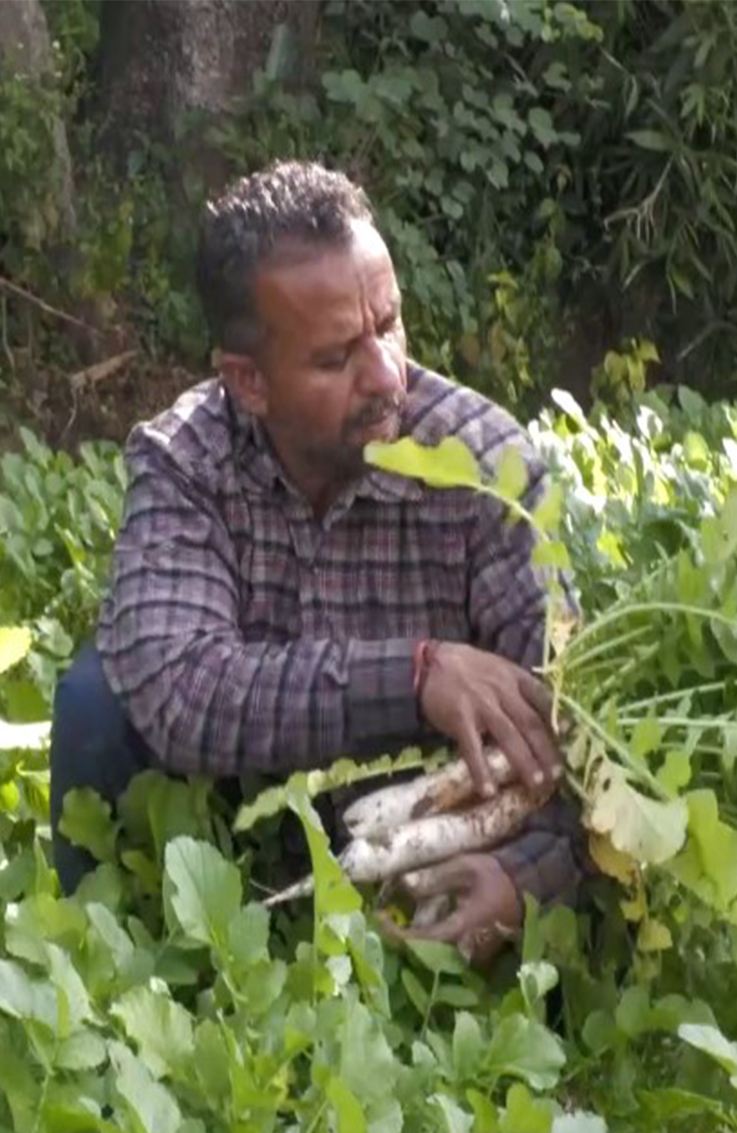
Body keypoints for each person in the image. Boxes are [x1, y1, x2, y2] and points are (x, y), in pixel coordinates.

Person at [49, 160, 587, 964]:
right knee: (96, 699)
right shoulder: (186, 460)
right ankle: (98, 949)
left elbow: (574, 732)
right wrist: (415, 674)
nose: (386, 376)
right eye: (336, 359)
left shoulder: (486, 467)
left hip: (426, 821)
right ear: (248, 383)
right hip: (235, 821)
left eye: (391, 324)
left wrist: (525, 880)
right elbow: (180, 688)